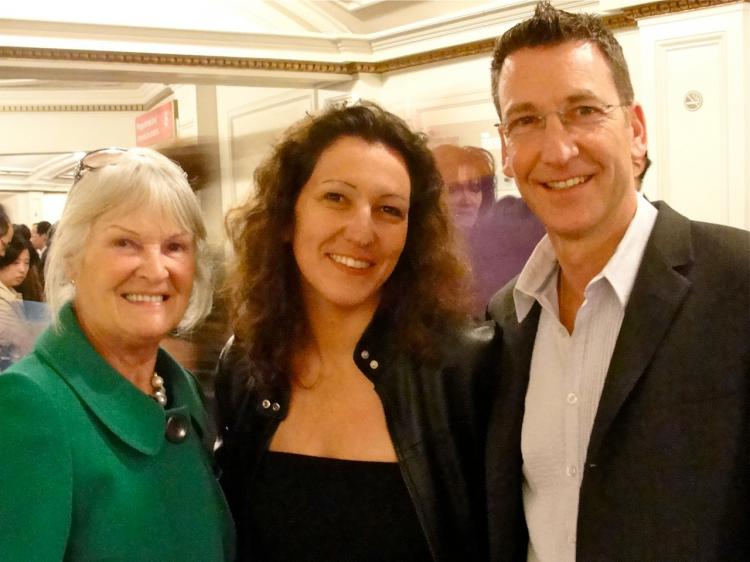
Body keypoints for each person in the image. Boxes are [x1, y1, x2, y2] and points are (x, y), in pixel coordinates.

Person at [486, 2, 750, 561]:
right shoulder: (505, 319)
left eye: (583, 110)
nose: (558, 150)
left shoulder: (740, 281)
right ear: (507, 150)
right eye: (527, 120)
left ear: (634, 131)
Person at [216, 101, 498, 561]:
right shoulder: (247, 364)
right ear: (288, 216)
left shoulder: (464, 370)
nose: (362, 232)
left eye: (389, 210)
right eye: (336, 198)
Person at [0, 147, 234, 560]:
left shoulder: (183, 394)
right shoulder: (29, 405)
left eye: (175, 246)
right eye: (126, 242)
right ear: (72, 258)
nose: (156, 269)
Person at [0, 232, 35, 370]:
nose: (22, 269)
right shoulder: (2, 301)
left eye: (26, 263)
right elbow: (20, 343)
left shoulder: (11, 293)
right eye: (15, 262)